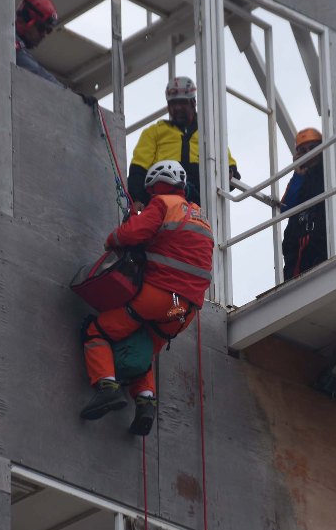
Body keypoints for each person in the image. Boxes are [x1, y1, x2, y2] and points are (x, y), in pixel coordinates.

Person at [80, 160, 214, 436]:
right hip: (182, 311)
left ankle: (106, 387)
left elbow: (134, 233)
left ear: (153, 185)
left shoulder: (162, 204)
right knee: (143, 348)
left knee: (98, 331)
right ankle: (145, 404)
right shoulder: (201, 218)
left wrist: (112, 239)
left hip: (160, 296)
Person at [127, 77, 240, 209]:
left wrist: (229, 174)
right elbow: (138, 169)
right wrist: (136, 198)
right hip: (164, 201)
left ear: (193, 103)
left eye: (182, 102)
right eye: (173, 104)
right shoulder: (154, 132)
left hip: (202, 203)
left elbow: (231, 169)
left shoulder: (210, 134)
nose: (178, 108)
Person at [280, 127, 328, 280]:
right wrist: (298, 175)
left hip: (320, 239)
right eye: (303, 150)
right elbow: (286, 208)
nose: (309, 153)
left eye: (312, 148)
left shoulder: (329, 172)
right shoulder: (300, 179)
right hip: (298, 242)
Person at [15, 0, 62, 84]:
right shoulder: (10, 44)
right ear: (25, 19)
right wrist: (72, 95)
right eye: (41, 28)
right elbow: (37, 72)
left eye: (48, 31)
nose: (44, 35)